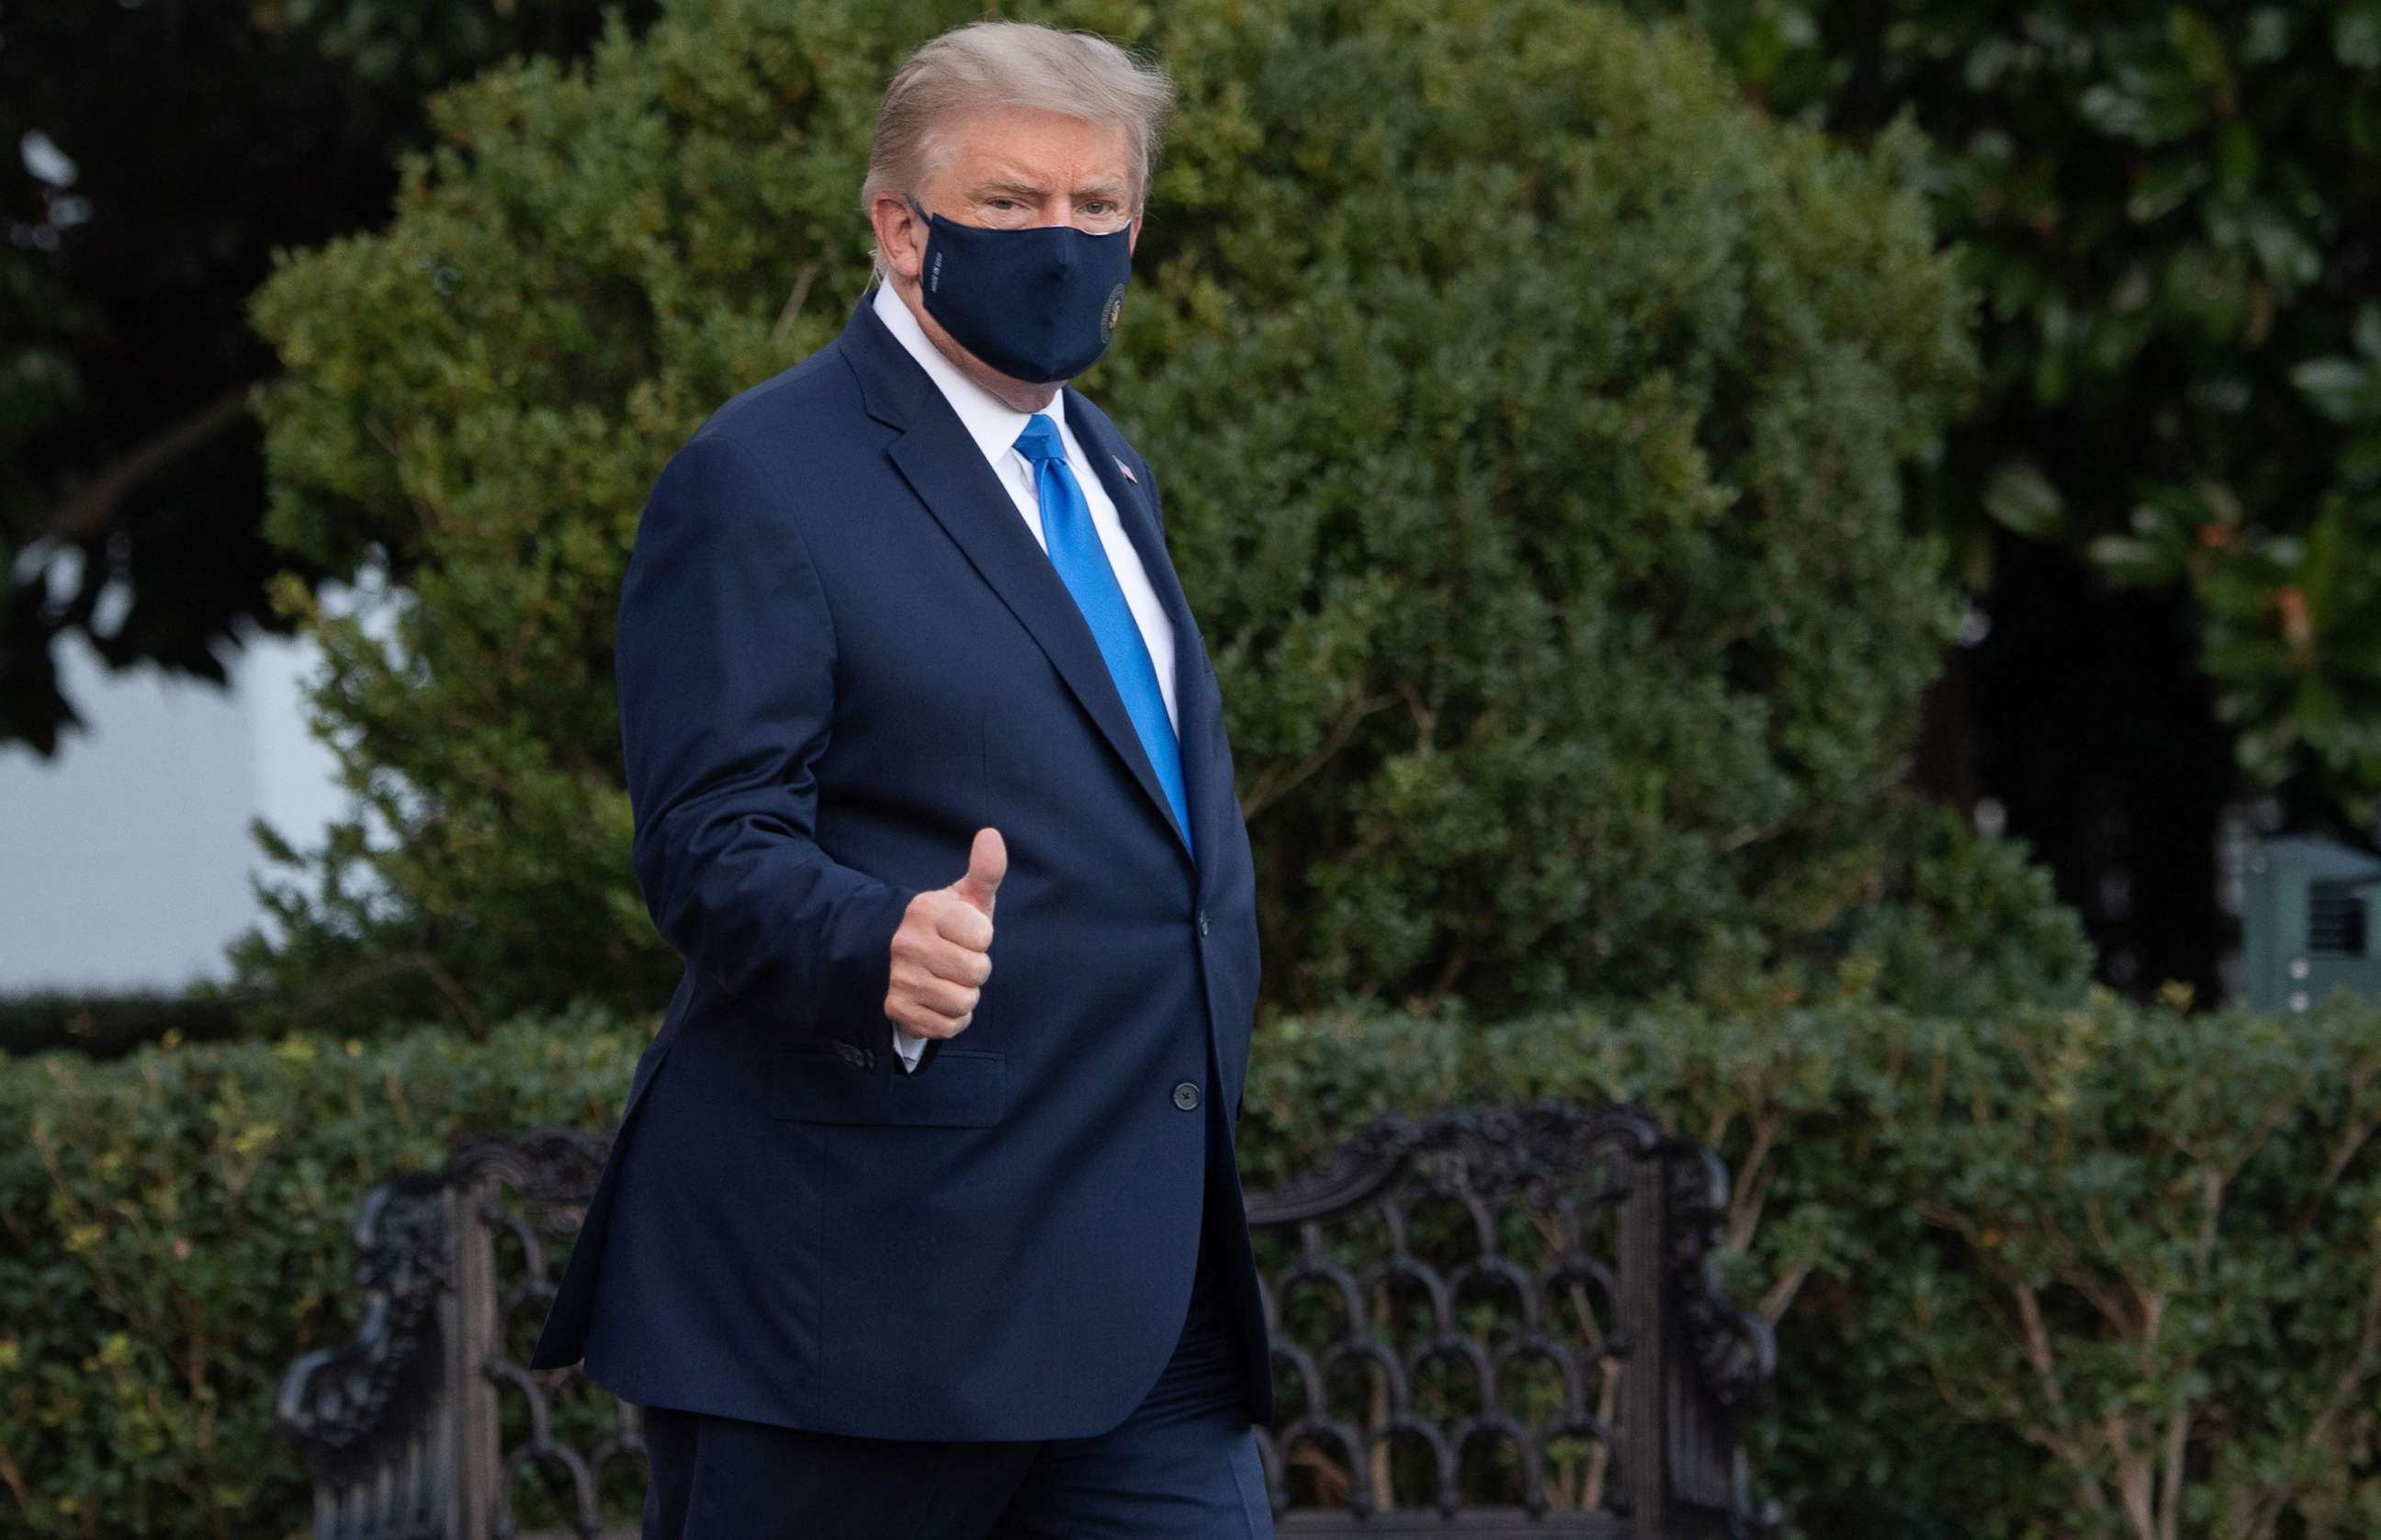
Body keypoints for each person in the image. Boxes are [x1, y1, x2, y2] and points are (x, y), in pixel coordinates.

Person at [527, 19, 1274, 1538]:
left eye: (1097, 206)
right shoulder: (760, 477)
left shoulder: (1106, 464)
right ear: (899, 221)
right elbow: (706, 837)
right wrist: (877, 937)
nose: (1060, 243)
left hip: (1142, 1302)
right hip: (864, 1314)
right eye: (1009, 205)